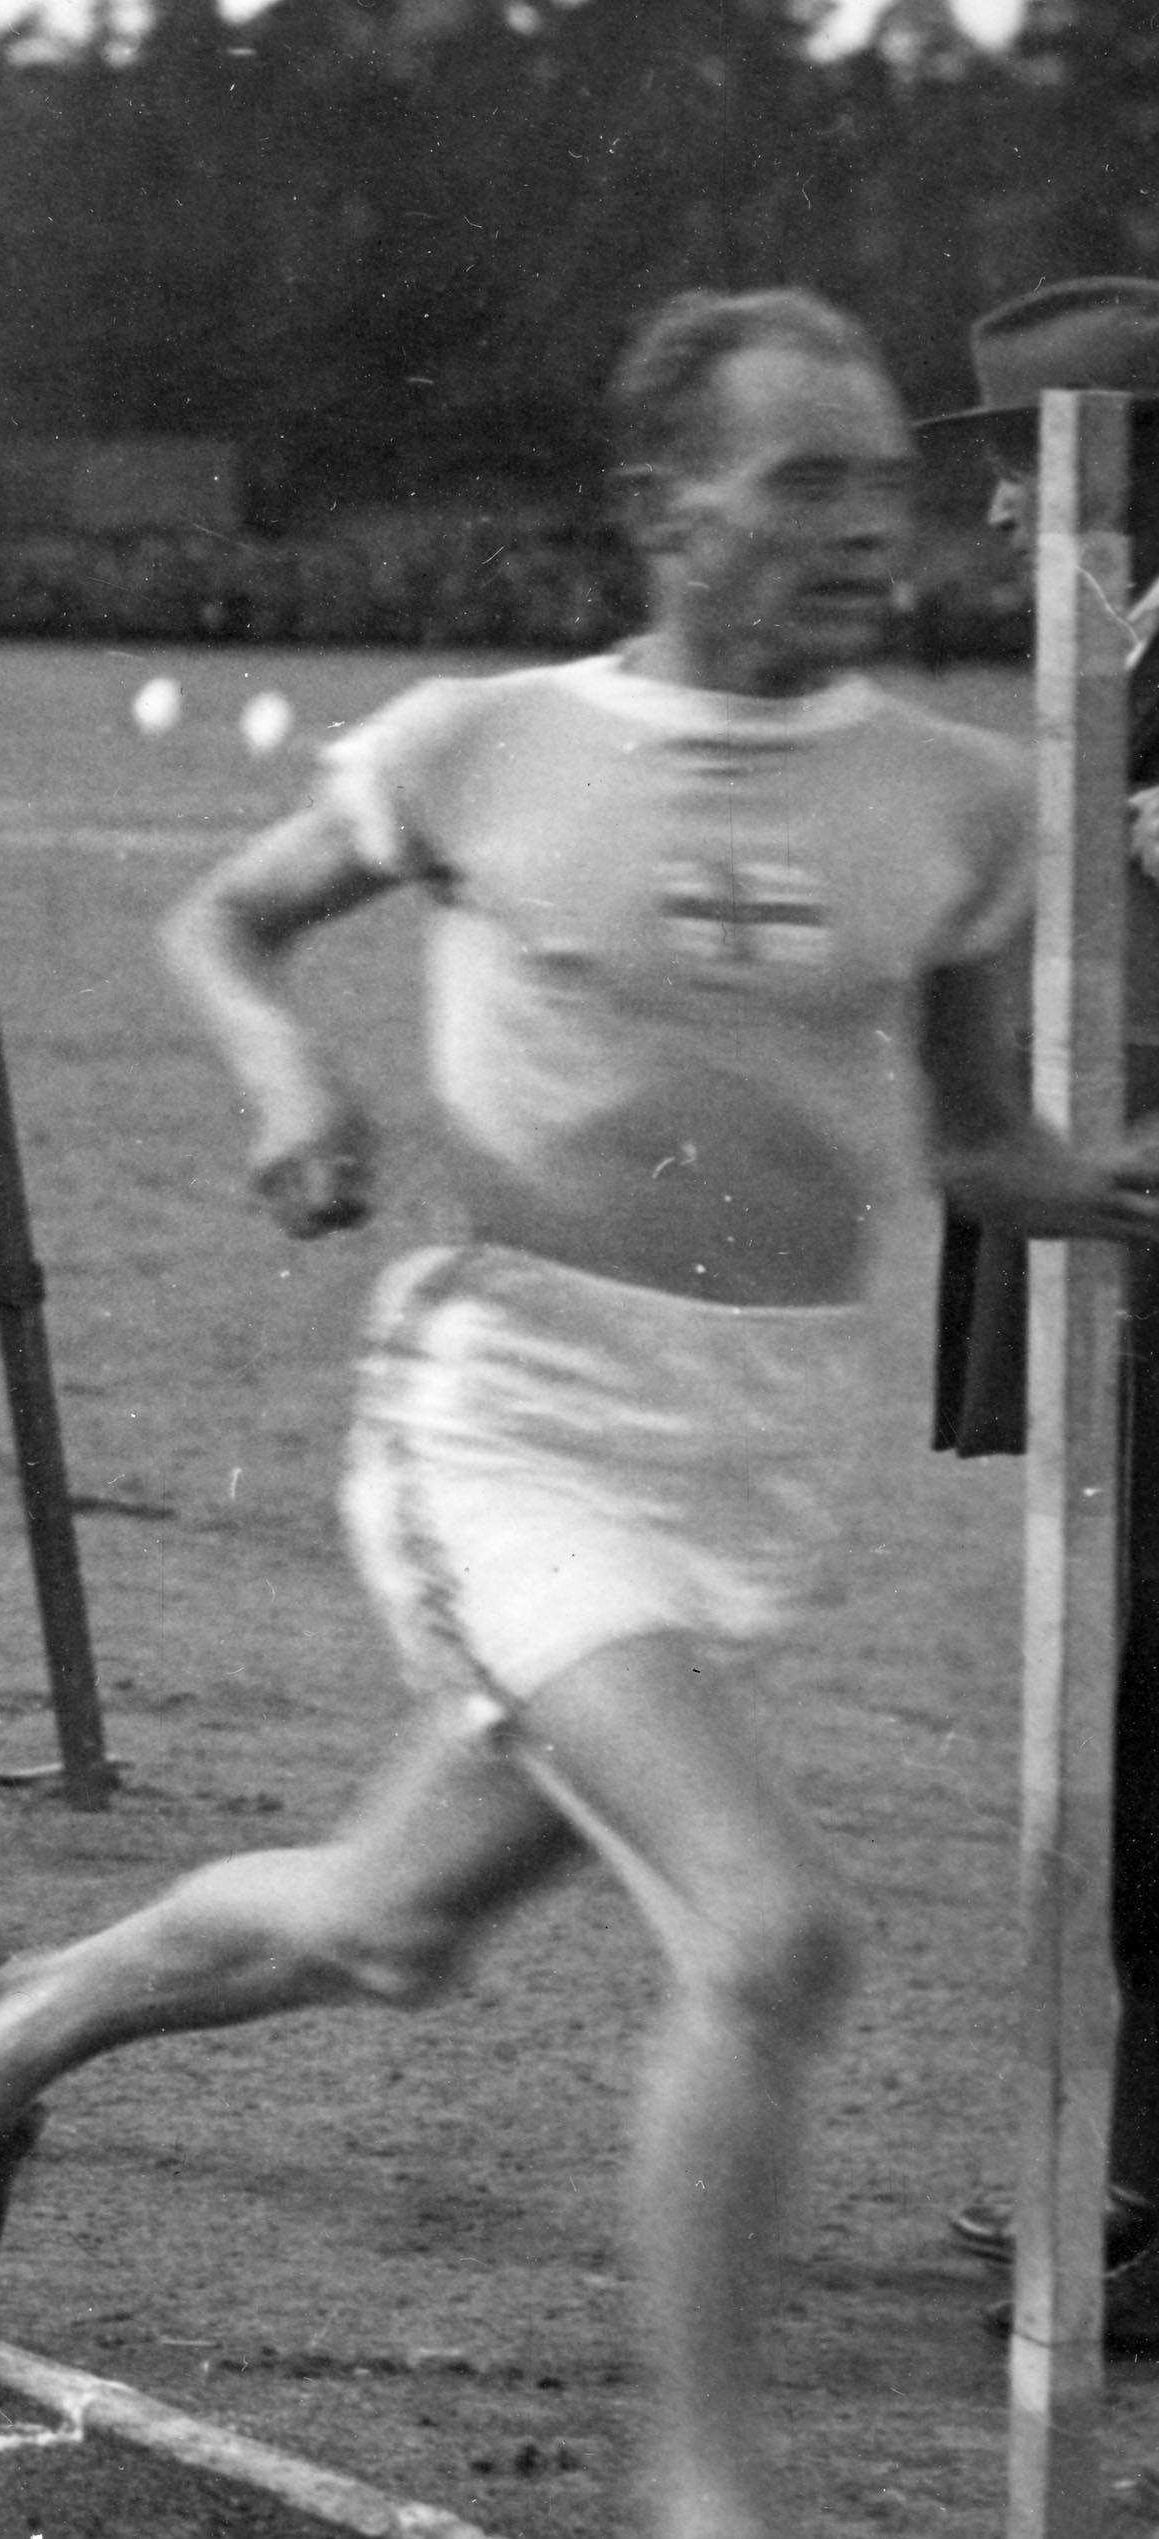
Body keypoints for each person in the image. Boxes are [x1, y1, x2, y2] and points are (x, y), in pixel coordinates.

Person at [0, 288, 1159, 2539]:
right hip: (509, 1426)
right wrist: (295, 1077)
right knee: (772, 1935)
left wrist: (1102, 1186)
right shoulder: (485, 744)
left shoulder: (957, 802)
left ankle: (10, 2027)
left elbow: (977, 1146)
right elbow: (229, 919)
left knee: (392, 1930)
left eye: (881, 479)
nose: (870, 526)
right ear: (663, 510)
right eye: (807, 482)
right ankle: (702, 2498)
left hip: (750, 1463)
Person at [922, 273, 1159, 2333]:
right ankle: (1128, 2169)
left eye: (1027, 461)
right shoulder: (1120, 648)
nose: (1004, 512)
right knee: (1129, 1704)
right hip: (1104, 1224)